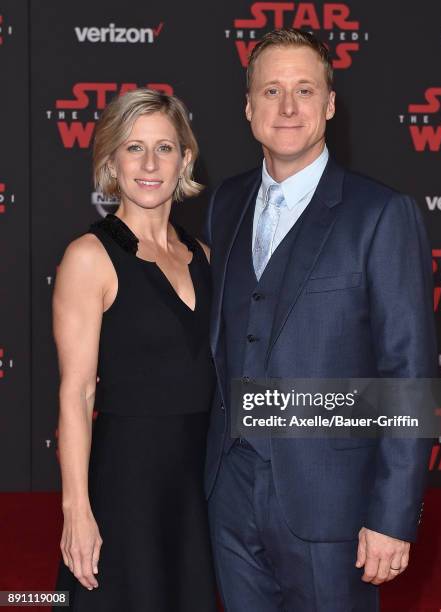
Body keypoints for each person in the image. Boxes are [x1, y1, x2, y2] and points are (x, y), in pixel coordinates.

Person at [205, 29, 436, 611]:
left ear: (330, 105)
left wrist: (393, 514)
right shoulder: (223, 203)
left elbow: (407, 373)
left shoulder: (381, 214)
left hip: (334, 507)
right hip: (229, 494)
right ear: (248, 106)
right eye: (272, 90)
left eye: (305, 90)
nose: (288, 107)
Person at [53, 89, 217, 611]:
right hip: (125, 488)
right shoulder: (89, 257)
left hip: (197, 490)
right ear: (110, 160)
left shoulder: (205, 257)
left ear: (184, 159)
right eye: (133, 148)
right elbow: (77, 393)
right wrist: (76, 510)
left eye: (164, 148)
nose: (149, 164)